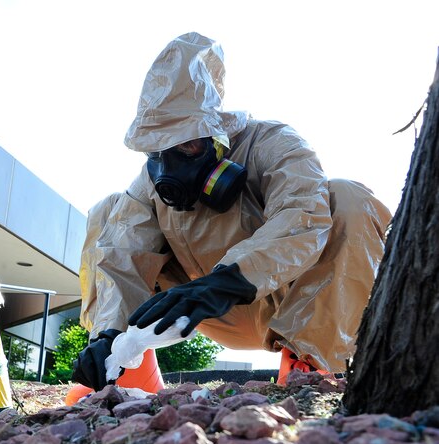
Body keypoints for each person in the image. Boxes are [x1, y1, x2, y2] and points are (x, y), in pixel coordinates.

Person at [71, 32, 391, 395]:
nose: (169, 166)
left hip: (279, 301)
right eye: (159, 150)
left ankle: (310, 368)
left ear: (216, 135)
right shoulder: (148, 182)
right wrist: (109, 331)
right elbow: (122, 255)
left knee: (348, 197)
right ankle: (118, 373)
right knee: (110, 214)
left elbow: (303, 216)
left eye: (187, 145)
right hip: (195, 311)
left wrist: (227, 281)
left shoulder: (272, 143)